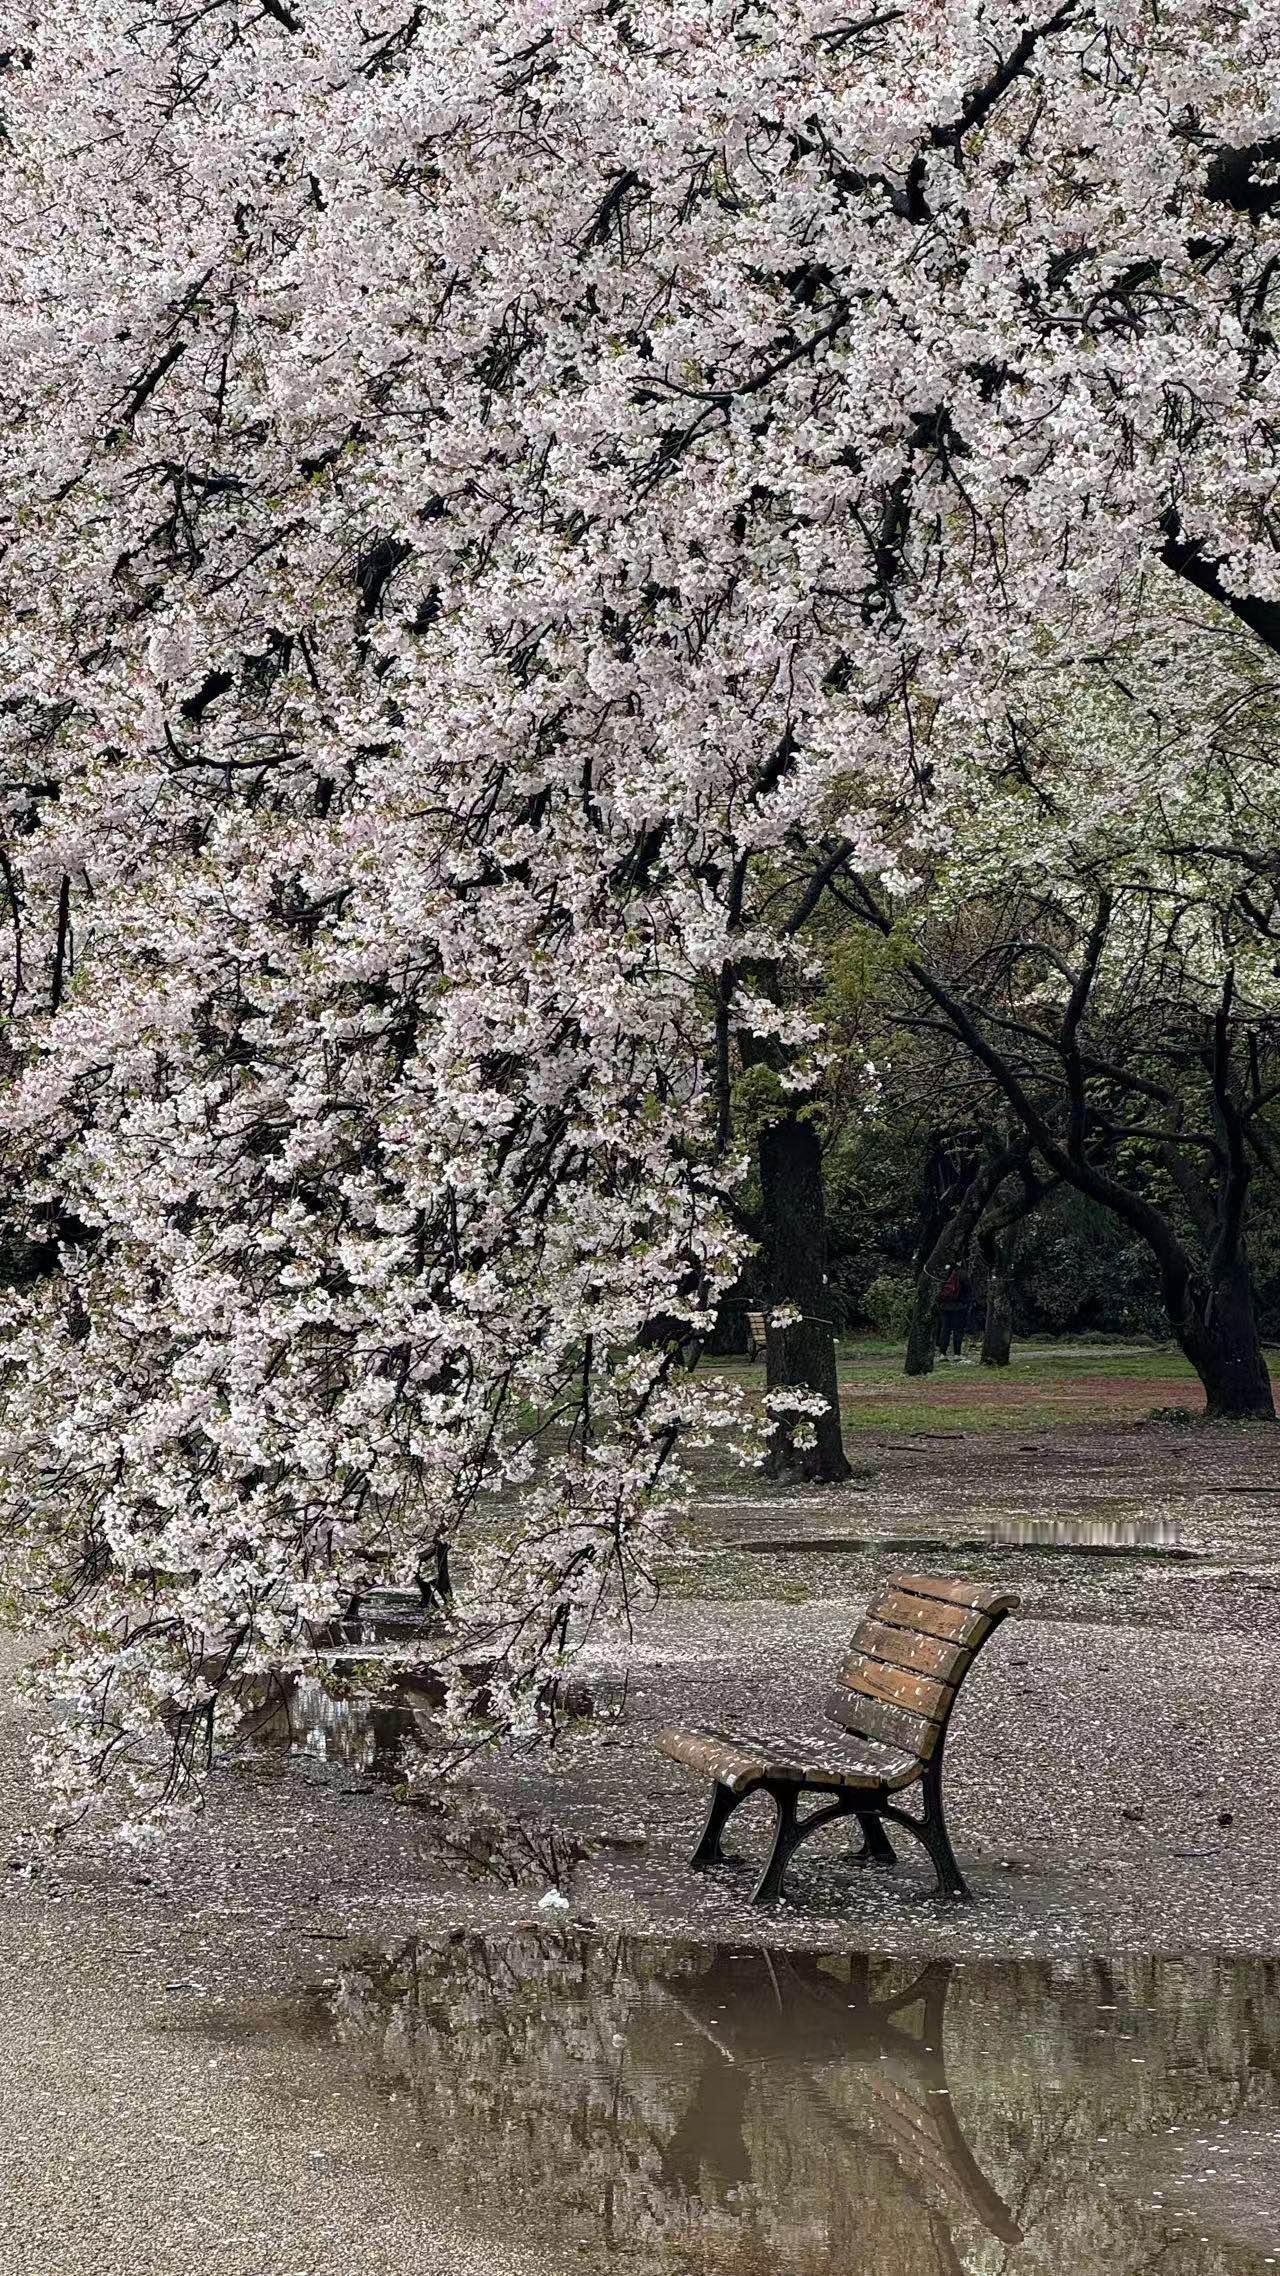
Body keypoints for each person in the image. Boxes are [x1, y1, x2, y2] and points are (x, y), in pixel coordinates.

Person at [937, 1266, 972, 1361]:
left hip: (944, 1306)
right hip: (959, 1306)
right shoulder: (963, 1274)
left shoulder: (945, 1272)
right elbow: (968, 1291)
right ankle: (957, 1354)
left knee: (945, 1329)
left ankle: (942, 1354)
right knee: (958, 1330)